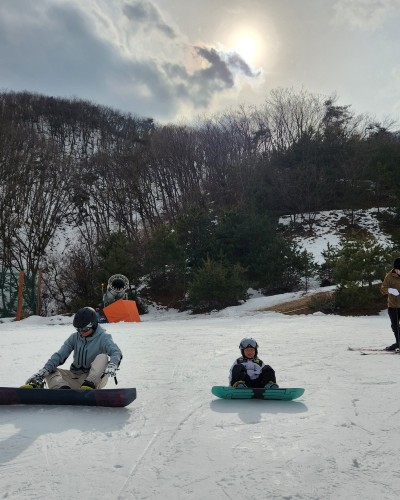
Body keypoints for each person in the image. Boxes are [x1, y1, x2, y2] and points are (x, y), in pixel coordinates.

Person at [22, 307, 123, 390]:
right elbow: (59, 355)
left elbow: (116, 352)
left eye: (84, 329)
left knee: (103, 357)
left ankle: (89, 385)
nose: (81, 332)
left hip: (95, 379)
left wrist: (113, 364)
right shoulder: (74, 337)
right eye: (78, 329)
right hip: (75, 377)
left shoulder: (103, 338)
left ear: (93, 325)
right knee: (51, 370)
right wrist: (44, 370)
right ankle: (62, 389)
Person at [381, 258, 400, 351]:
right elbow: (383, 288)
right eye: (398, 270)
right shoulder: (389, 276)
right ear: (395, 269)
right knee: (395, 326)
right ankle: (398, 343)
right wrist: (390, 290)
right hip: (393, 306)